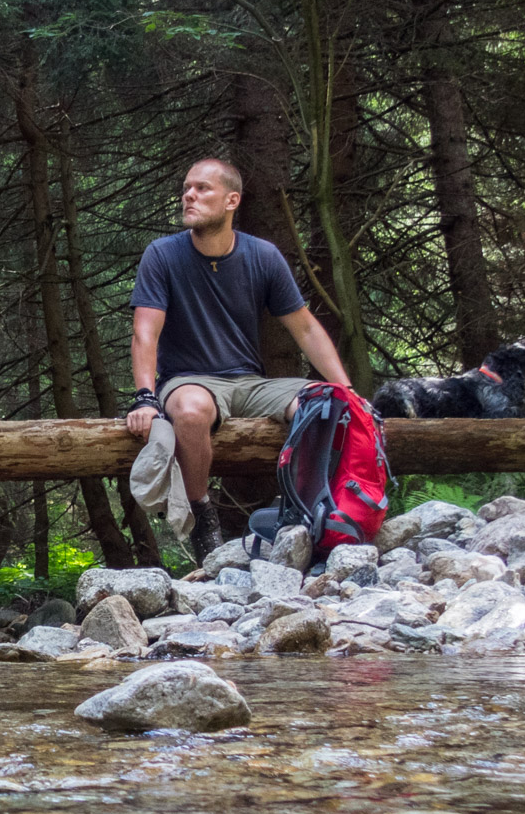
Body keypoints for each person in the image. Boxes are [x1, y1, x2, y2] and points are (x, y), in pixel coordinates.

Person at [124, 159, 353, 563]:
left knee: (325, 406)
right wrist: (145, 396)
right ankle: (203, 519)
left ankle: (310, 511)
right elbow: (146, 332)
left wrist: (346, 390)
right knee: (191, 413)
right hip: (189, 380)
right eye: (186, 188)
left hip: (251, 383)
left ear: (232, 200)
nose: (189, 195)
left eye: (201, 189)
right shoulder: (161, 255)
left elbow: (305, 329)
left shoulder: (262, 255)